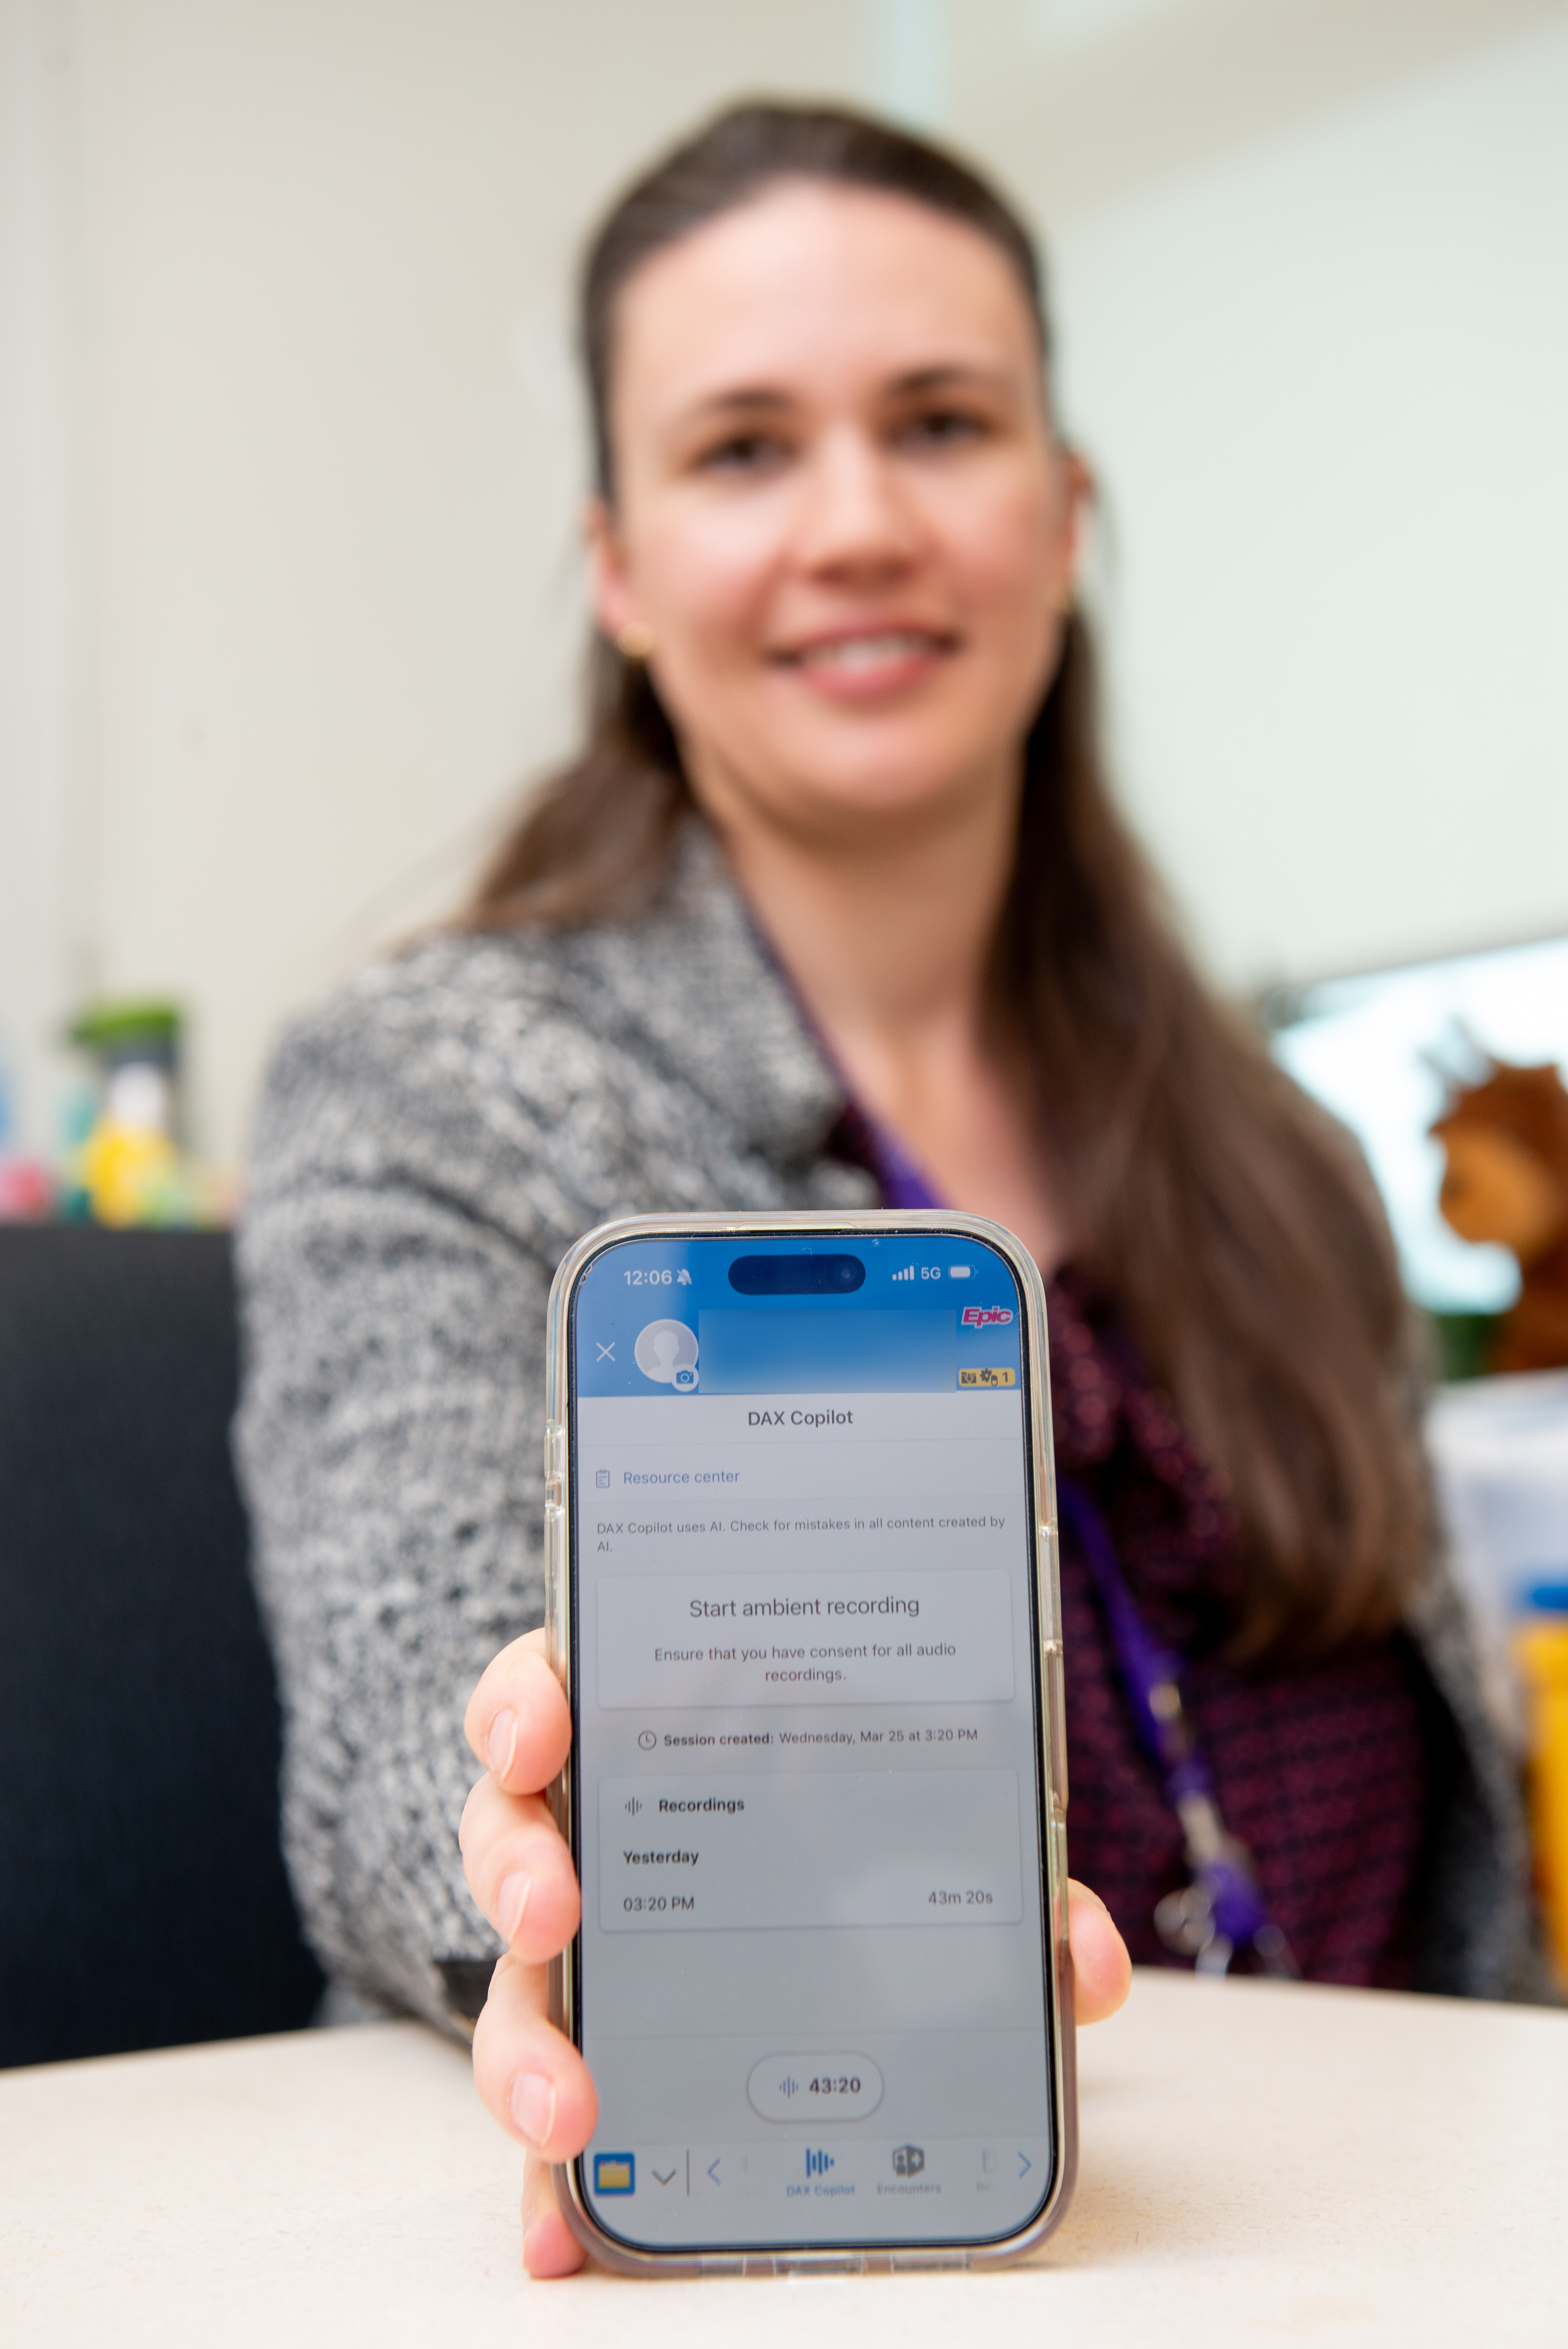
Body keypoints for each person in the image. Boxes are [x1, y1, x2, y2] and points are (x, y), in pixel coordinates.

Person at [235, 102, 1549, 2278]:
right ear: (622, 570)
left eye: (938, 423)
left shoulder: (1285, 1160)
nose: (856, 521)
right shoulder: (434, 1089)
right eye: (743, 449)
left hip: (1396, 2254)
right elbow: (413, 1672)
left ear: (1060, 514)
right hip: (808, 2271)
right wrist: (521, 1839)